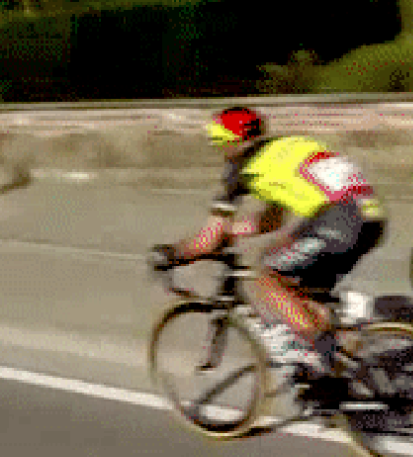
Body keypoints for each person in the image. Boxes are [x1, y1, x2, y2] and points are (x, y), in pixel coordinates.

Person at [150, 106, 386, 406]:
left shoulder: (240, 169)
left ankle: (317, 357)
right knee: (305, 295)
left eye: (220, 145)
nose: (221, 152)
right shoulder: (289, 146)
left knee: (267, 276)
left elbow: (206, 242)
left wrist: (172, 254)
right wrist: (233, 231)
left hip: (336, 220)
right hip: (370, 218)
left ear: (230, 143)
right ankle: (331, 368)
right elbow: (272, 221)